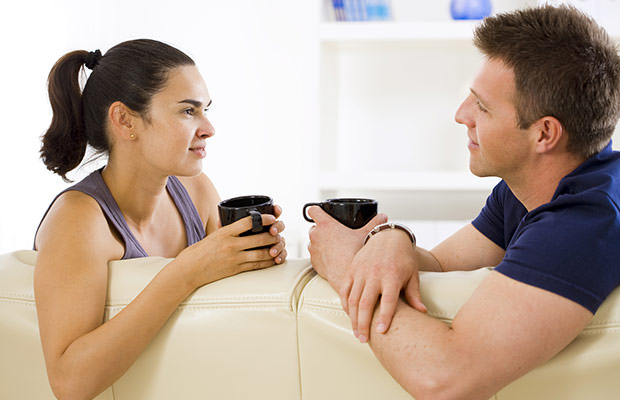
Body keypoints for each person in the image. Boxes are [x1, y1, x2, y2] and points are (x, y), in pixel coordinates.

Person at [307, 5, 620, 399]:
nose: (460, 115)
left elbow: (447, 380)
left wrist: (342, 268)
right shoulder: (538, 184)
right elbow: (440, 265)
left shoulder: (583, 223)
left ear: (544, 134)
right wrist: (390, 237)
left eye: (482, 106)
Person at [34, 39, 287, 400]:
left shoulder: (195, 190)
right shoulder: (78, 220)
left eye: (205, 110)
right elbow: (69, 383)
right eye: (188, 111)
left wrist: (257, 252)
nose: (208, 128)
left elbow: (230, 309)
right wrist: (185, 271)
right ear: (124, 120)